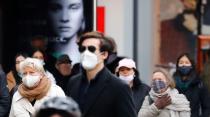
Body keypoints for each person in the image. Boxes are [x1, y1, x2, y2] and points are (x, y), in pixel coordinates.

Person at [66, 31, 137, 117]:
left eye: (91, 49)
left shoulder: (119, 87)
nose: (86, 53)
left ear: (104, 54)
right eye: (82, 49)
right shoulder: (73, 82)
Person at [47, 0, 93, 65]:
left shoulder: (90, 58)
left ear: (84, 13)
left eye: (74, 8)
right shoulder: (41, 57)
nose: (64, 18)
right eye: (56, 8)